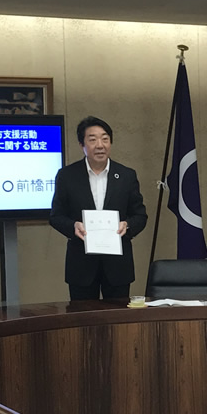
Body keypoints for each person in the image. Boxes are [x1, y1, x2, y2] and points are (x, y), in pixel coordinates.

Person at [50, 116, 147, 300]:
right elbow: (56, 216)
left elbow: (140, 215)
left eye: (105, 139)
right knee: (83, 316)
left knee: (117, 315)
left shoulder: (127, 176)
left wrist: (128, 225)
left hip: (118, 265)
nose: (100, 145)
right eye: (93, 140)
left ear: (111, 142)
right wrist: (73, 226)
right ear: (82, 145)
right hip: (81, 264)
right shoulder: (67, 176)